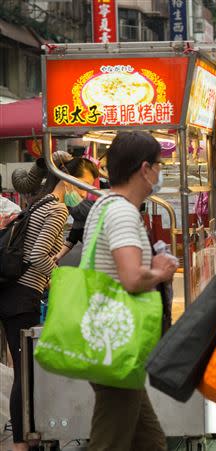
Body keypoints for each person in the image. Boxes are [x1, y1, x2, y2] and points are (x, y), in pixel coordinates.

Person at [81, 131, 178, 451]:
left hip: (110, 341)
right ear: (145, 168)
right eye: (159, 166)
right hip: (116, 343)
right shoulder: (122, 212)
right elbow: (132, 278)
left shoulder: (103, 206)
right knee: (109, 443)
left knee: (149, 441)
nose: (160, 173)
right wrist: (161, 271)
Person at [1, 157, 97, 451]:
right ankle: (21, 443)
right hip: (22, 297)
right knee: (24, 372)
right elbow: (38, 256)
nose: (83, 195)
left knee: (25, 370)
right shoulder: (56, 209)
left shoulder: (40, 202)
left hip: (12, 294)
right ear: (68, 181)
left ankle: (29, 436)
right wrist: (63, 282)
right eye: (83, 188)